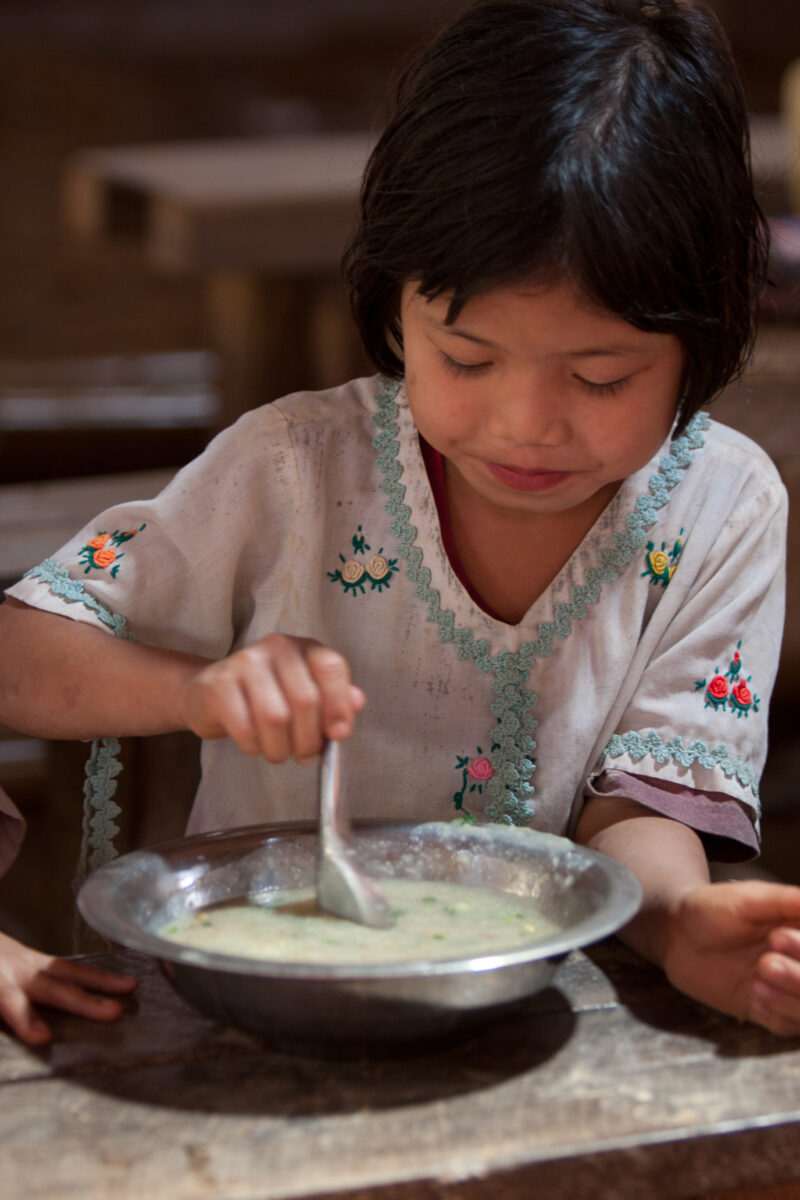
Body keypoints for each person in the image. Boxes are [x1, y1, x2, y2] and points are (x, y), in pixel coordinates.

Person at [0, 0, 798, 1043]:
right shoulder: (293, 471)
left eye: (600, 376)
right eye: (464, 358)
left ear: (703, 341)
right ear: (392, 306)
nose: (525, 425)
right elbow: (21, 655)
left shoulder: (720, 508)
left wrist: (675, 922)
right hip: (253, 1006)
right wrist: (194, 690)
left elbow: (641, 808)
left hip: (542, 1022)